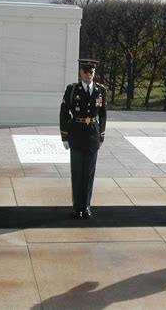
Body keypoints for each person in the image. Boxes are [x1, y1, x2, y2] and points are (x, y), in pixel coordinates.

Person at [59, 59, 107, 219]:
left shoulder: (100, 90)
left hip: (93, 135)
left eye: (91, 72)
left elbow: (103, 114)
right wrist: (64, 135)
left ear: (94, 73)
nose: (89, 75)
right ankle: (76, 207)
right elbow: (64, 112)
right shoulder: (72, 90)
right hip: (77, 134)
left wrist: (102, 134)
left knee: (89, 173)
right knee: (77, 172)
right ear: (80, 73)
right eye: (86, 72)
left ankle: (86, 206)